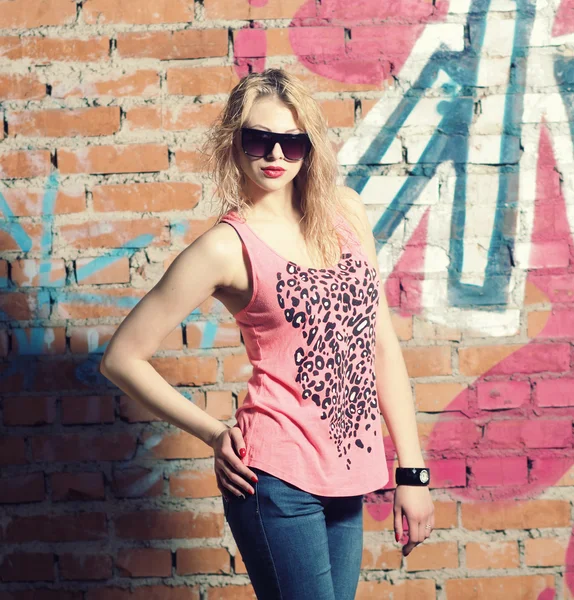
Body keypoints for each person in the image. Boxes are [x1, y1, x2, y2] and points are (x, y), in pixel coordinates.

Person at [100, 67, 434, 600]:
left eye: (291, 142)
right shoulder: (225, 247)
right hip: (274, 476)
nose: (274, 155)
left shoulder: (345, 213)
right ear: (234, 144)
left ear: (310, 147)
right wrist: (213, 432)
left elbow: (380, 345)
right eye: (258, 139)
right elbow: (122, 357)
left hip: (347, 472)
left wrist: (411, 472)